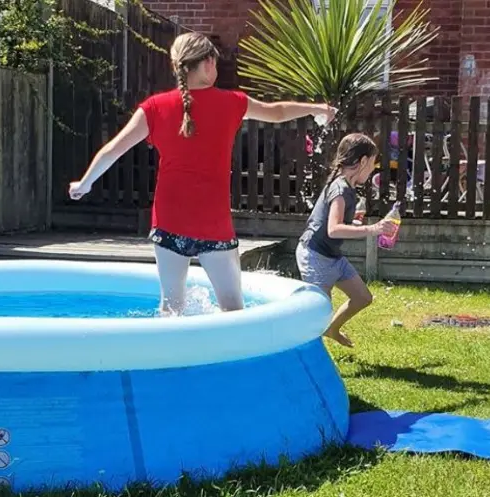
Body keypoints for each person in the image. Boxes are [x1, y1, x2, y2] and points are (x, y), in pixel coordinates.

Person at [69, 32, 337, 315]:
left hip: (169, 220)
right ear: (209, 62)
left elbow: (113, 149)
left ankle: (172, 359)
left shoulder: (154, 108)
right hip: (213, 223)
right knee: (233, 309)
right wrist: (315, 108)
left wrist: (85, 183)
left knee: (171, 308)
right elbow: (277, 112)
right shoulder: (232, 102)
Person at [296, 133, 396, 348]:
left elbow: (335, 224)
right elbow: (333, 229)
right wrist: (374, 229)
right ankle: (307, 356)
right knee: (318, 312)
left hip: (331, 256)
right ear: (362, 162)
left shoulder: (347, 188)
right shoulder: (340, 189)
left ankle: (332, 329)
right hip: (315, 255)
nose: (373, 170)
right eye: (372, 164)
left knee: (362, 297)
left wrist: (355, 224)